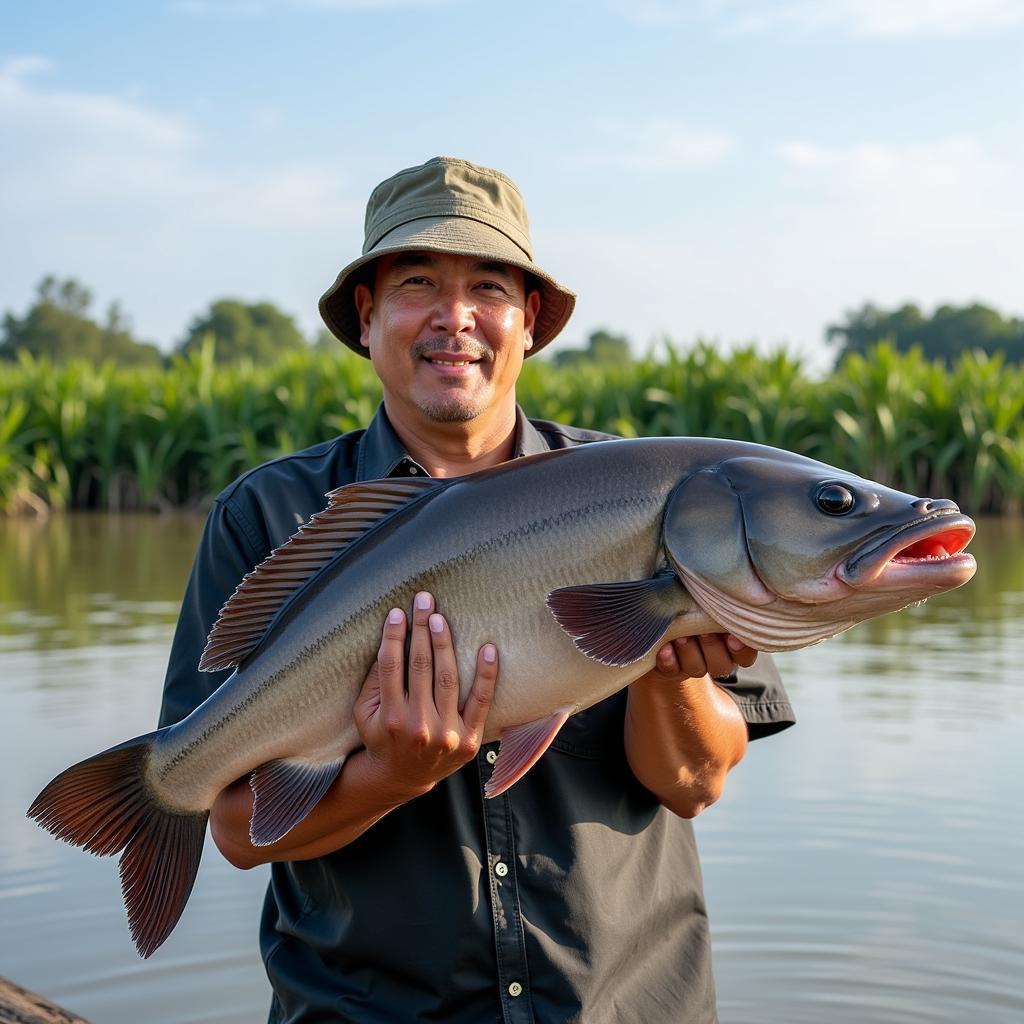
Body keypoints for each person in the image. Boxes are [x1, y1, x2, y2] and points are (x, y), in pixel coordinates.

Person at [158, 156, 796, 1024]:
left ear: (527, 320)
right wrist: (392, 775)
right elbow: (236, 832)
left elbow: (692, 782)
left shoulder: (657, 496)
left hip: (623, 1005)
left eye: (488, 288)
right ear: (368, 312)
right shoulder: (271, 514)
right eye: (418, 281)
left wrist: (668, 667)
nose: (454, 318)